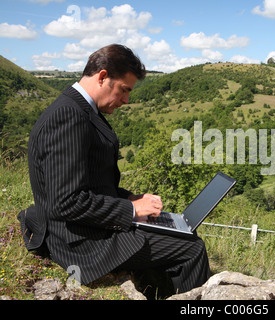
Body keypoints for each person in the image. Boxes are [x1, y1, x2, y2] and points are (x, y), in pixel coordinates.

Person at [18, 44, 210, 296]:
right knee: (192, 248)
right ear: (102, 77)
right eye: (124, 89)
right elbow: (64, 202)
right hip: (78, 243)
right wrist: (131, 210)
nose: (126, 100)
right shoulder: (69, 116)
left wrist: (128, 198)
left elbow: (87, 182)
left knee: (176, 236)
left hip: (77, 230)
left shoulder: (78, 109)